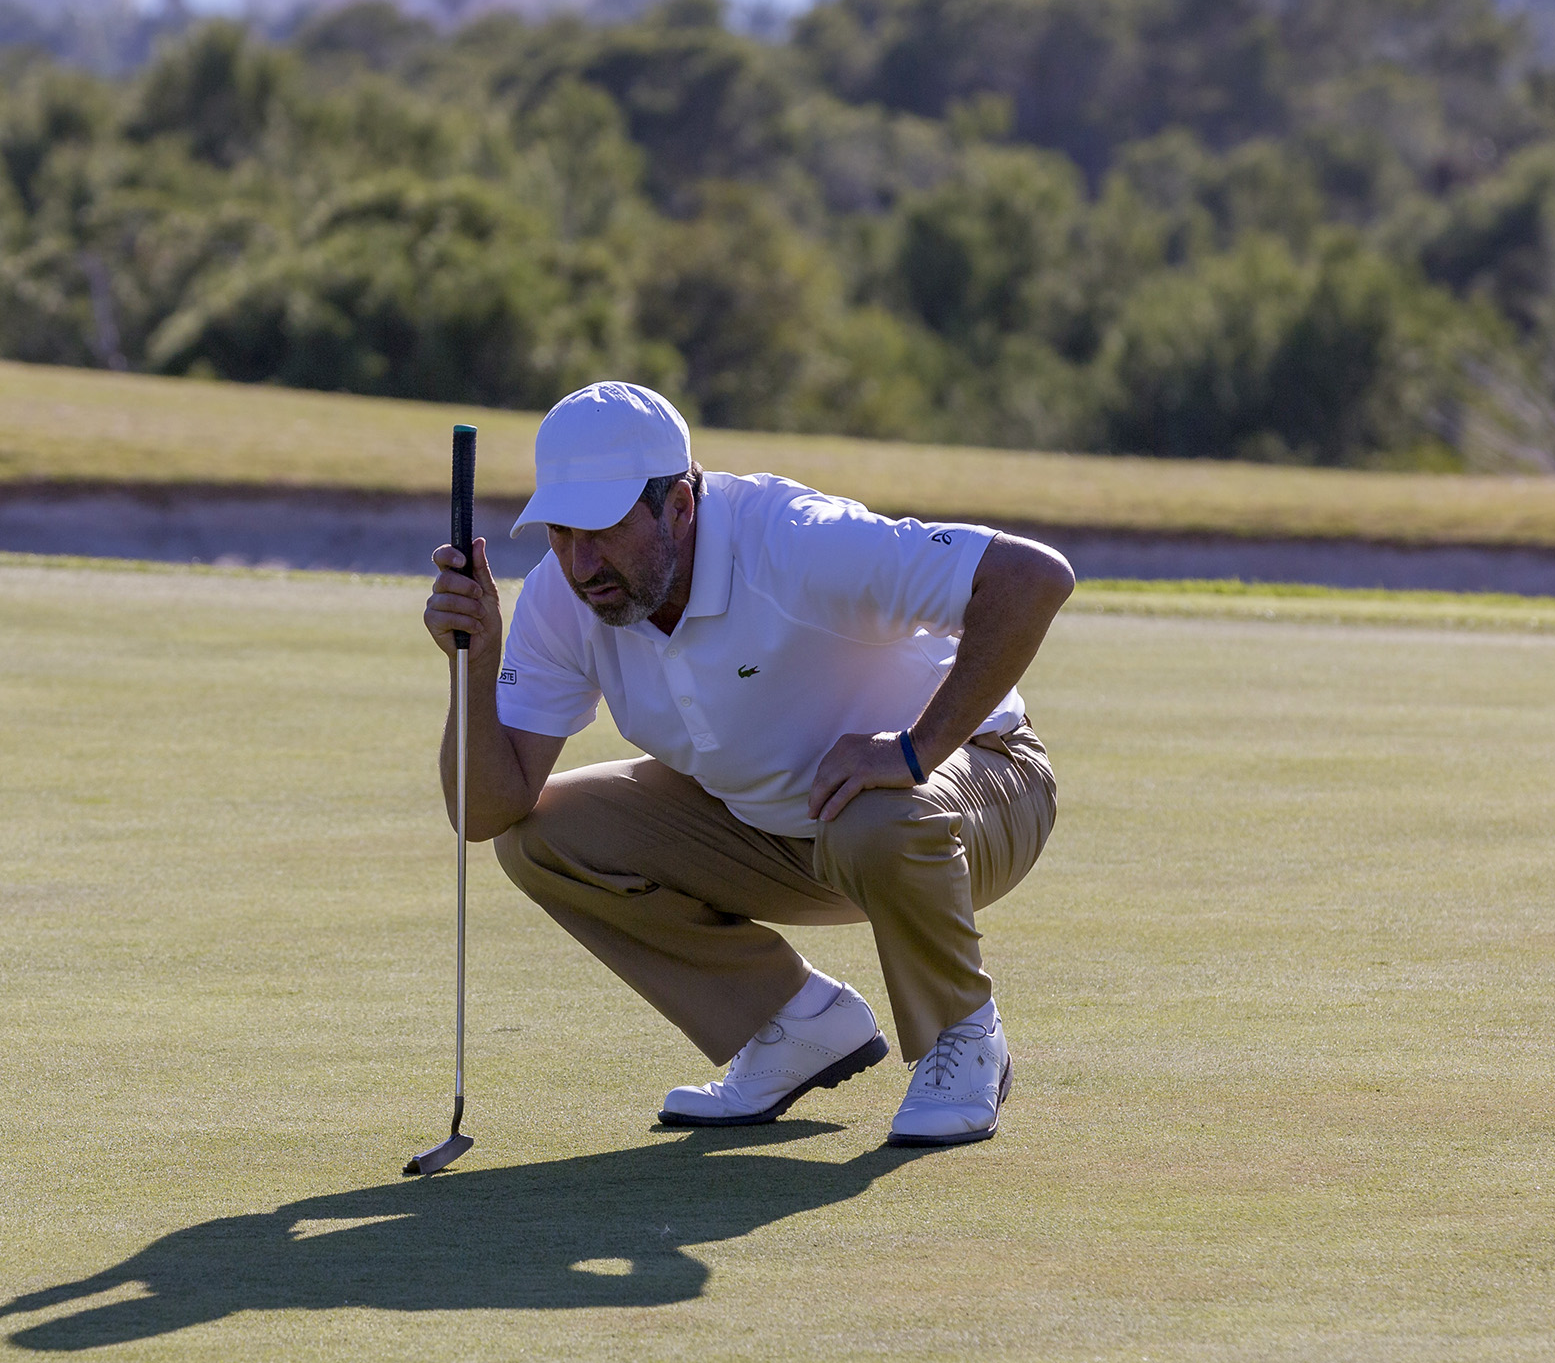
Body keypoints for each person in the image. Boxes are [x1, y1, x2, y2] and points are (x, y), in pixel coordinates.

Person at [420, 381, 1076, 1147]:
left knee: (873, 815)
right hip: (781, 825)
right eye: (560, 533)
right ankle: (795, 1023)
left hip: (979, 790)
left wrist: (912, 748)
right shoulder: (561, 598)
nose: (581, 561)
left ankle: (962, 1036)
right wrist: (476, 659)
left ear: (680, 506)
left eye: (601, 528)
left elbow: (1032, 577)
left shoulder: (797, 539)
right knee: (541, 837)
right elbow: (484, 810)